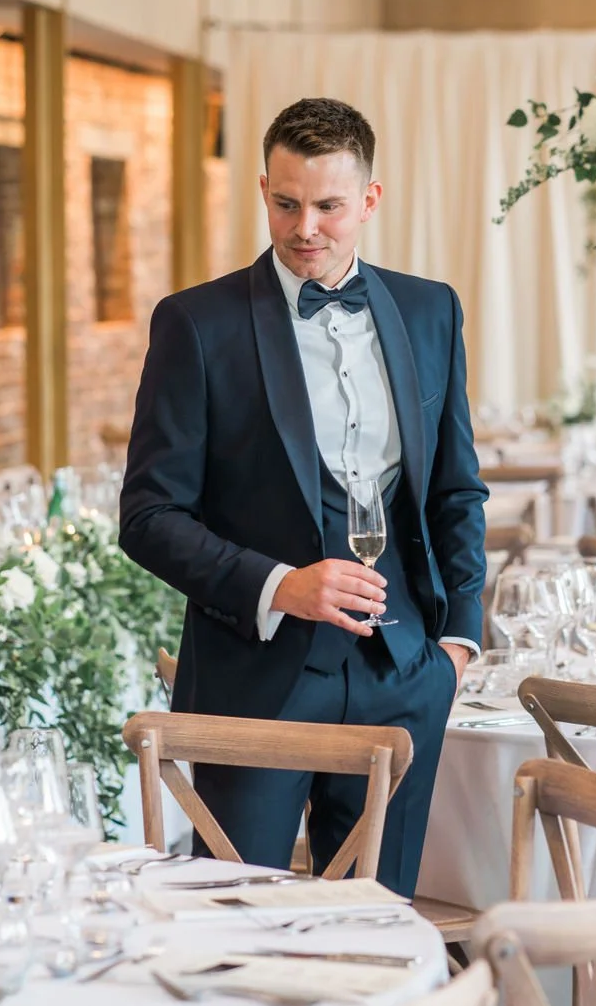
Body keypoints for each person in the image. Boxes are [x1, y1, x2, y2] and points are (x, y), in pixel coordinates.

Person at [119, 97, 488, 896]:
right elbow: (148, 518)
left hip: (403, 675)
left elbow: (456, 488)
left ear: (371, 200)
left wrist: (456, 645)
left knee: (377, 921)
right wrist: (280, 585)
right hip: (256, 681)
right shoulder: (197, 324)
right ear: (263, 189)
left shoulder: (430, 310)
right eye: (285, 203)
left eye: (329, 206)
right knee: (236, 918)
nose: (305, 228)